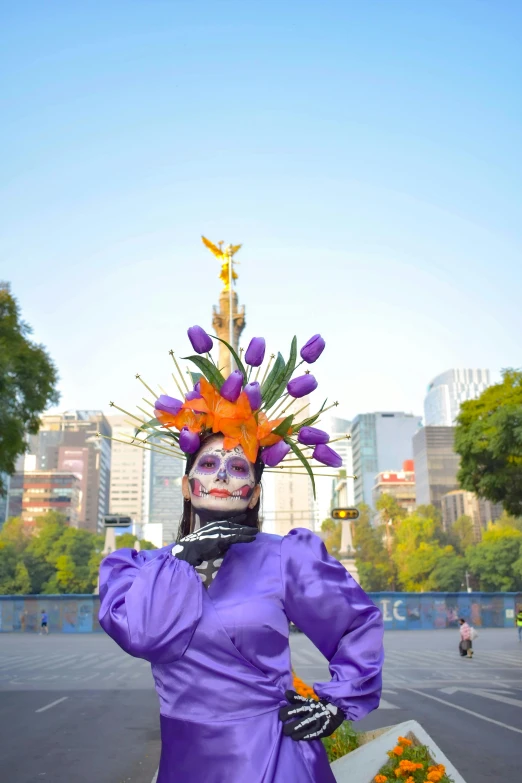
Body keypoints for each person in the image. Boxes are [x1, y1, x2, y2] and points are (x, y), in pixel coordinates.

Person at [99, 326, 384, 783]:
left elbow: (356, 624)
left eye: (238, 468)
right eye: (209, 465)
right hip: (186, 762)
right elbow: (144, 637)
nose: (223, 478)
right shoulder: (139, 570)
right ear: (188, 485)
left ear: (253, 495)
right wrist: (180, 559)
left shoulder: (288, 558)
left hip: (275, 758)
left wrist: (337, 701)